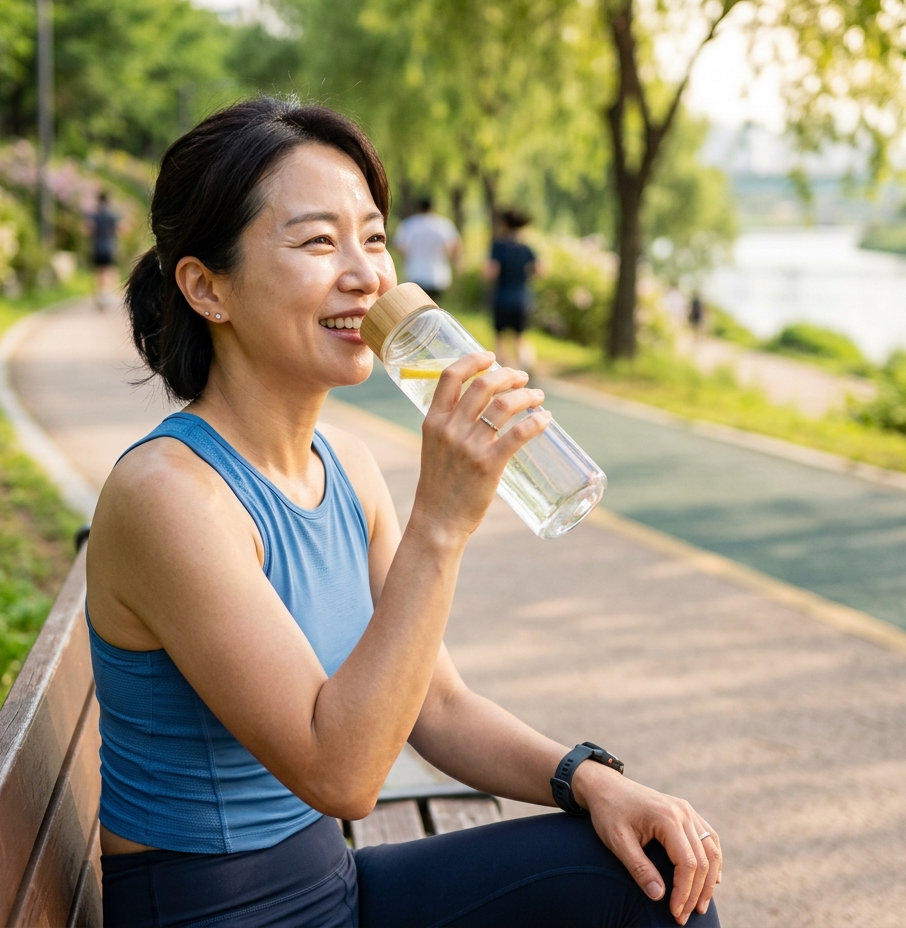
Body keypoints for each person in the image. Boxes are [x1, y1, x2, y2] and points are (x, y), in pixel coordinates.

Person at [86, 98, 722, 928]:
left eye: (374, 238)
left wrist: (591, 778)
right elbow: (342, 777)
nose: (366, 275)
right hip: (225, 915)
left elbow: (439, 707)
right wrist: (442, 524)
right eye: (319, 241)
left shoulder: (342, 464)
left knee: (649, 873)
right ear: (208, 288)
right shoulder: (170, 495)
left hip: (333, 887)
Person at [484, 208, 543, 373]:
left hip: (502, 297)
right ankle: (527, 366)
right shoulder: (526, 248)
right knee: (520, 337)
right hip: (522, 299)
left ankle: (501, 371)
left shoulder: (498, 246)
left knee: (499, 337)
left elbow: (490, 272)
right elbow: (540, 270)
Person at [392, 197, 461, 302]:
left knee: (417, 308)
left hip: (415, 273)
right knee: (434, 307)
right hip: (437, 275)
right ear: (432, 208)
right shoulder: (443, 225)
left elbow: (400, 248)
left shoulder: (409, 225)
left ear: (418, 208)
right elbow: (454, 246)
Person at [89, 190, 119, 309]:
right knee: (108, 270)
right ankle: (106, 294)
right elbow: (121, 230)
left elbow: (87, 228)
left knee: (98, 271)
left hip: (97, 247)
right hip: (109, 247)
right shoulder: (112, 215)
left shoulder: (95, 215)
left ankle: (99, 295)